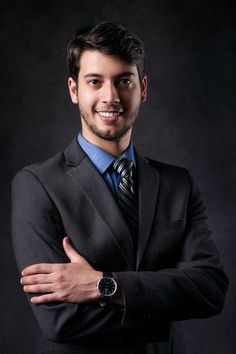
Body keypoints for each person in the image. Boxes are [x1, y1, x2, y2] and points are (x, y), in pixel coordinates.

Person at [11, 22, 229, 354]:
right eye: (95, 82)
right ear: (74, 90)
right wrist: (165, 312)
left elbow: (211, 289)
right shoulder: (37, 184)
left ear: (143, 88)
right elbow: (60, 320)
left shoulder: (177, 183)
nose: (110, 97)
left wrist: (104, 285)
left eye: (123, 81)